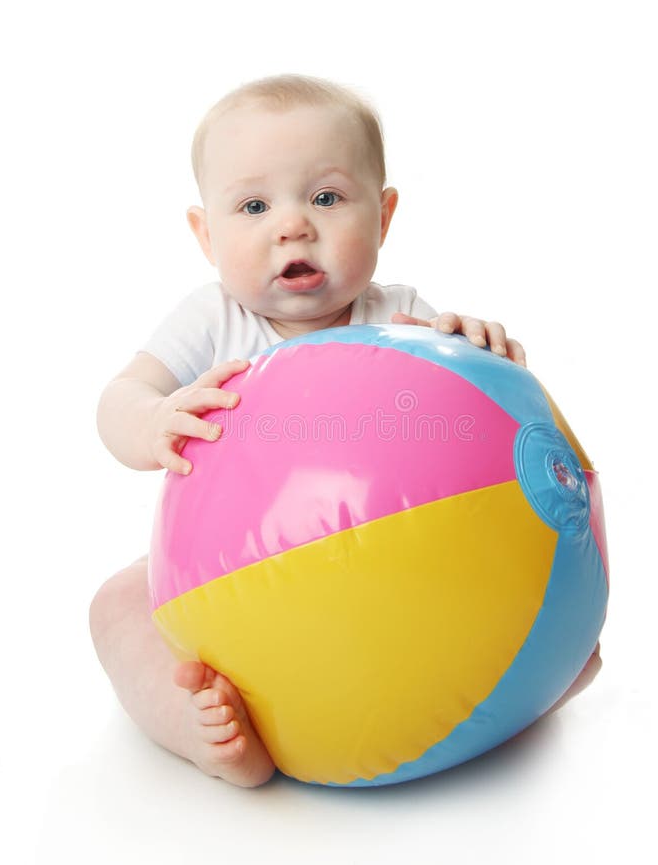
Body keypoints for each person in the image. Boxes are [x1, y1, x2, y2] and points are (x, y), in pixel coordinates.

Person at [91, 74, 592, 789]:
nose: (292, 225)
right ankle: (194, 729)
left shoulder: (403, 322)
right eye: (253, 205)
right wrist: (149, 423)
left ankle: (521, 679)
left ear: (382, 217)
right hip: (224, 582)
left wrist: (479, 347)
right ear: (207, 235)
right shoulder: (211, 320)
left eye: (326, 197)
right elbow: (121, 396)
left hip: (389, 579)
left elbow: (476, 432)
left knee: (479, 593)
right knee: (115, 605)